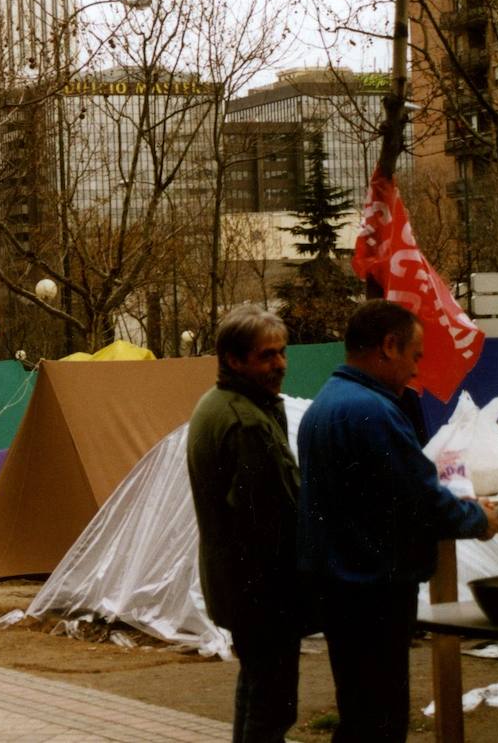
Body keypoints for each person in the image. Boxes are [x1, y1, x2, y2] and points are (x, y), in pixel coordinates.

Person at [298, 299, 498, 742]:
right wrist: (479, 518)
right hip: (374, 591)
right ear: (388, 346)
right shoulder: (373, 412)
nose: (415, 370)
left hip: (340, 588)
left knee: (360, 712)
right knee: (381, 719)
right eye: (415, 356)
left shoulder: (324, 406)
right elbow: (419, 500)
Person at [187, 304, 303, 742]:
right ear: (233, 360)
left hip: (240, 587)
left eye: (282, 352)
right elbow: (269, 521)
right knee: (272, 708)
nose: (280, 364)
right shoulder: (246, 423)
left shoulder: (220, 403)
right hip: (263, 591)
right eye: (267, 355)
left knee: (256, 691)